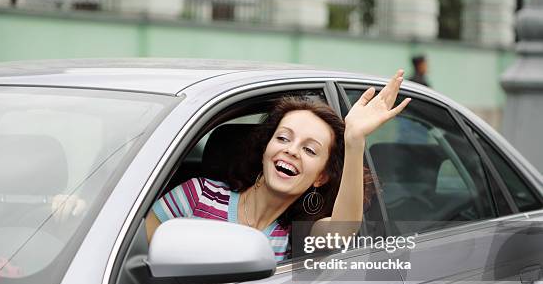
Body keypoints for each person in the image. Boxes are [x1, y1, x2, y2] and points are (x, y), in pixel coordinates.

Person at [144, 70, 411, 261]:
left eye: (309, 149)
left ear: (321, 177)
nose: (291, 150)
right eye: (283, 138)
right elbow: (135, 258)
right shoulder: (199, 194)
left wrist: (353, 141)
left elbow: (341, 230)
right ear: (265, 150)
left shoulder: (294, 237)